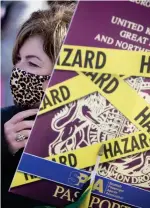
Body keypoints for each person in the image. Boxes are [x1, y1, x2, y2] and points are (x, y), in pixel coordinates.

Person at [1, 3, 75, 208]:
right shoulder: (4, 121)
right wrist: (3, 150)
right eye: (18, 59)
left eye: (32, 63)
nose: (18, 70)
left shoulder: (91, 132)